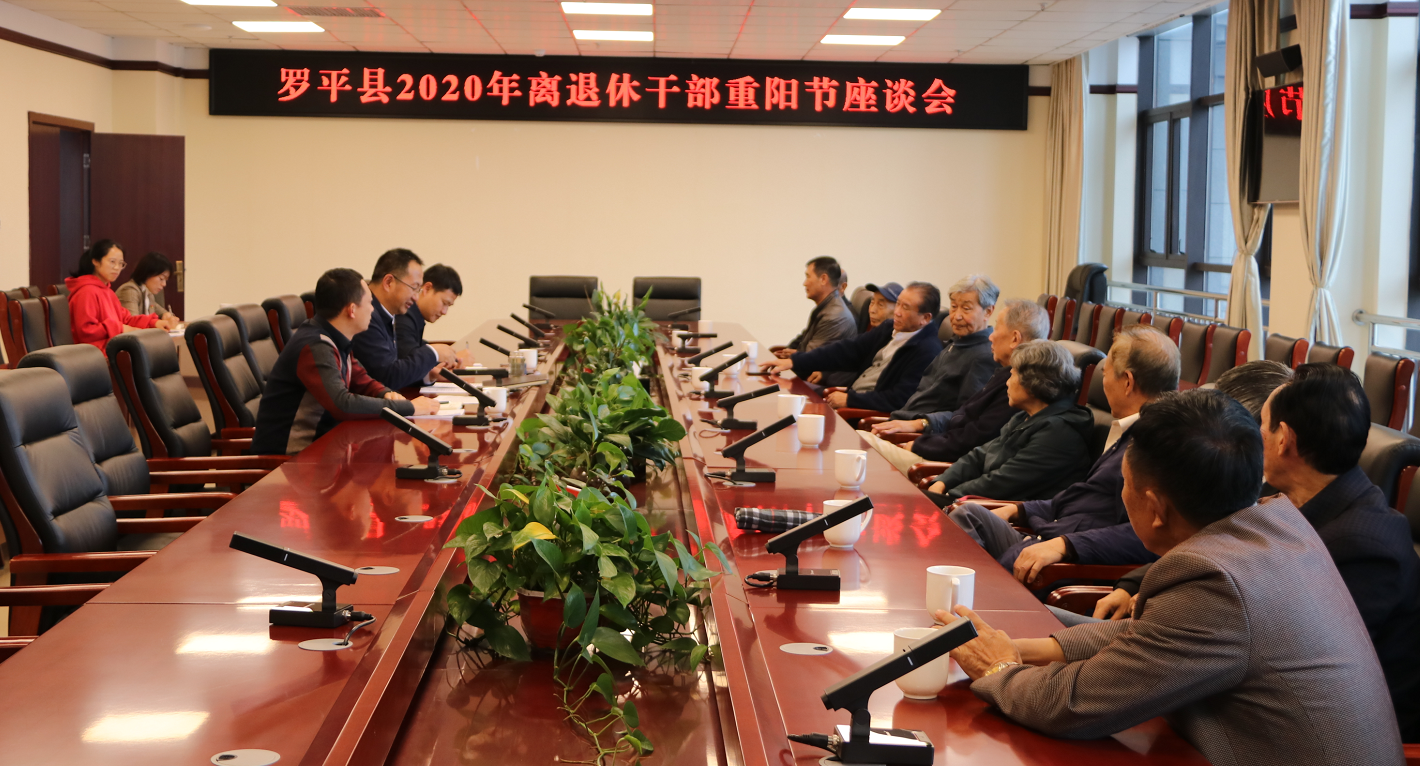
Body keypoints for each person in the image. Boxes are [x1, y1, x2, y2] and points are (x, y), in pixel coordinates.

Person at [943, 389, 1405, 766]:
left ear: (1156, 508)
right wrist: (1031, 647)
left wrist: (998, 669)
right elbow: (1159, 637)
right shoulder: (1278, 528)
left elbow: (1070, 705)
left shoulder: (1214, 580)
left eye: (1124, 486)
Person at [1076, 365, 1420, 741]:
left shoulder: (1367, 545)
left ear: (1283, 439)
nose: (1255, 436)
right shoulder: (1283, 499)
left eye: (1263, 425)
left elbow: (1291, 657)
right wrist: (1133, 584)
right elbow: (1217, 544)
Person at [959, 325, 1179, 582]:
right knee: (969, 515)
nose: (1103, 383)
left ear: (1127, 382)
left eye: (1105, 373)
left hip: (1067, 559)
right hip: (1047, 533)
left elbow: (1147, 536)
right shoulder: (1129, 431)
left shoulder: (1157, 446)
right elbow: (1078, 498)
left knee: (976, 579)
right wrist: (1020, 510)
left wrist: (1066, 545)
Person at [253, 268, 437, 456]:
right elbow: (342, 404)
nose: (373, 309)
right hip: (288, 462)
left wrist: (386, 393)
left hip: (323, 450)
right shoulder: (315, 345)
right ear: (352, 310)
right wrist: (409, 407)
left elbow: (361, 379)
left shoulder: (334, 338)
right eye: (369, 303)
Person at [860, 298, 1046, 474]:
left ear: (1015, 339)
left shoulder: (1017, 388)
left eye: (996, 328)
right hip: (936, 448)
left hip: (942, 466)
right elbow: (962, 416)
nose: (991, 336)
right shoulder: (1004, 373)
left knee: (861, 443)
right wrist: (923, 425)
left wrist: (920, 444)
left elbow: (974, 439)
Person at [925, 340, 1092, 503]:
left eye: (1012, 374)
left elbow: (1002, 483)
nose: (1007, 382)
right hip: (973, 503)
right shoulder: (1025, 416)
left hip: (1002, 512)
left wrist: (950, 494)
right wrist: (943, 482)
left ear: (1032, 381)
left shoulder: (1058, 432)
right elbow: (979, 455)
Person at [761, 282, 943, 412]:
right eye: (898, 304)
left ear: (925, 318)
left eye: (905, 308)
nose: (897, 312)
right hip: (850, 397)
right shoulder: (889, 328)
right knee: (782, 393)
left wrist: (851, 399)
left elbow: (899, 399)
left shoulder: (927, 351)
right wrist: (794, 361)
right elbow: (847, 350)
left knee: (794, 406)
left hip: (863, 412)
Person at [886, 275, 999, 424]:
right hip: (902, 421)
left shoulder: (984, 356)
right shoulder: (955, 343)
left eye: (966, 309)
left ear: (988, 311)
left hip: (922, 432)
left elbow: (966, 416)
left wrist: (920, 424)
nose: (956, 316)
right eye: (954, 307)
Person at [351, 248, 457, 391]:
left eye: (418, 290)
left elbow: (395, 370)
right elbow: (387, 378)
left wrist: (428, 376)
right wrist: (433, 353)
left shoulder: (386, 313)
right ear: (389, 282)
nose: (416, 297)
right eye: (413, 288)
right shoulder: (366, 315)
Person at [65, 239, 178, 353]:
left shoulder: (107, 291)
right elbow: (86, 331)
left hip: (112, 349)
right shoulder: (86, 292)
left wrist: (153, 323)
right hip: (95, 354)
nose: (117, 268)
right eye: (112, 262)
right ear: (96, 261)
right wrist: (120, 328)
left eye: (121, 264)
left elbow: (126, 319)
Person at [774, 256, 858, 360]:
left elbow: (811, 361)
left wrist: (795, 357)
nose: (804, 283)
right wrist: (796, 354)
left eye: (808, 276)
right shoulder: (826, 307)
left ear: (823, 279)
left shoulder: (834, 317)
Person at [395, 263, 472, 366]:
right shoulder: (404, 316)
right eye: (444, 303)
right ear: (427, 288)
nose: (444, 312)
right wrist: (456, 359)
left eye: (448, 306)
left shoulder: (415, 317)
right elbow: (410, 363)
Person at [114, 251, 178, 323]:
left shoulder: (148, 293)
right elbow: (132, 322)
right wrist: (155, 323)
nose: (164, 284)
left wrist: (167, 316)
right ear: (147, 274)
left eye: (165, 280)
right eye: (161, 279)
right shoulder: (130, 291)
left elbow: (162, 312)